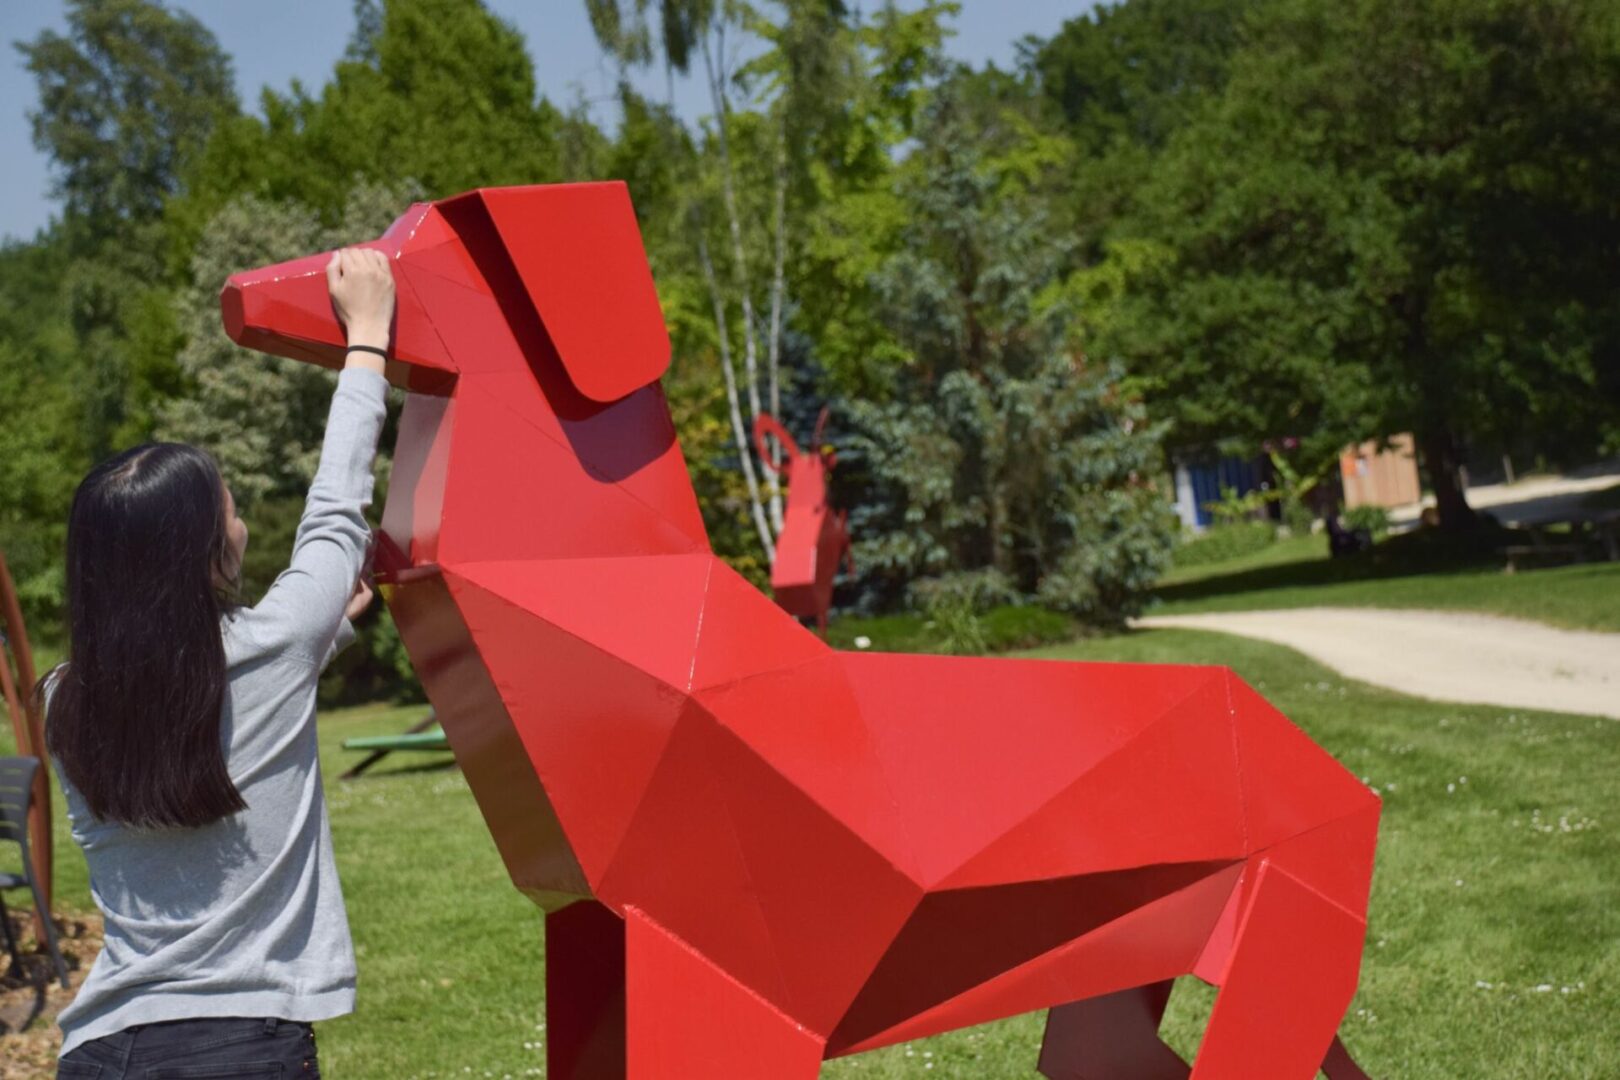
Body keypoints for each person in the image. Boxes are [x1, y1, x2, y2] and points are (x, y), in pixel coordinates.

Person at [45, 249, 396, 1079]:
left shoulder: (64, 700)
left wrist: (318, 638)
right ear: (205, 558)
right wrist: (370, 335)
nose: (241, 529)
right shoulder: (272, 648)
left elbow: (185, 698)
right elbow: (336, 513)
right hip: (239, 1048)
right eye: (232, 514)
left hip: (99, 1050)